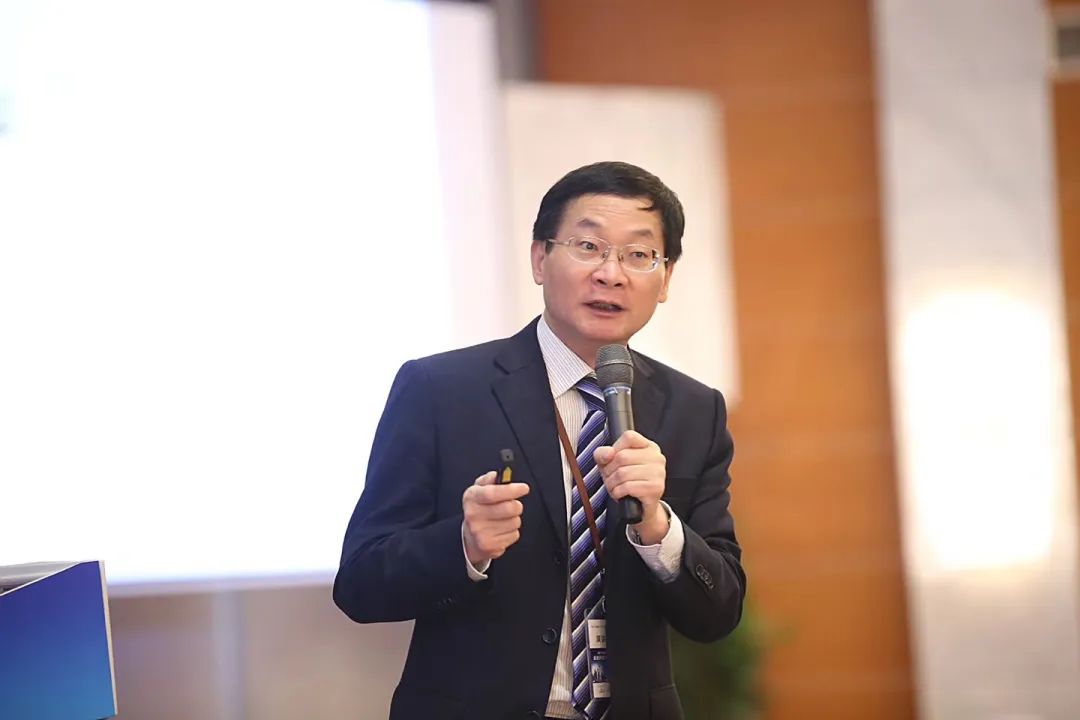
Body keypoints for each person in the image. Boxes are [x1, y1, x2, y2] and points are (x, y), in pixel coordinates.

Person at [334, 161, 745, 720]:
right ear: (538, 259)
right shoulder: (440, 390)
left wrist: (658, 526)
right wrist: (464, 545)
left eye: (638, 254)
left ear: (666, 278)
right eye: (588, 246)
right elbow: (360, 584)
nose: (611, 273)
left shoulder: (694, 410)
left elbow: (719, 611)